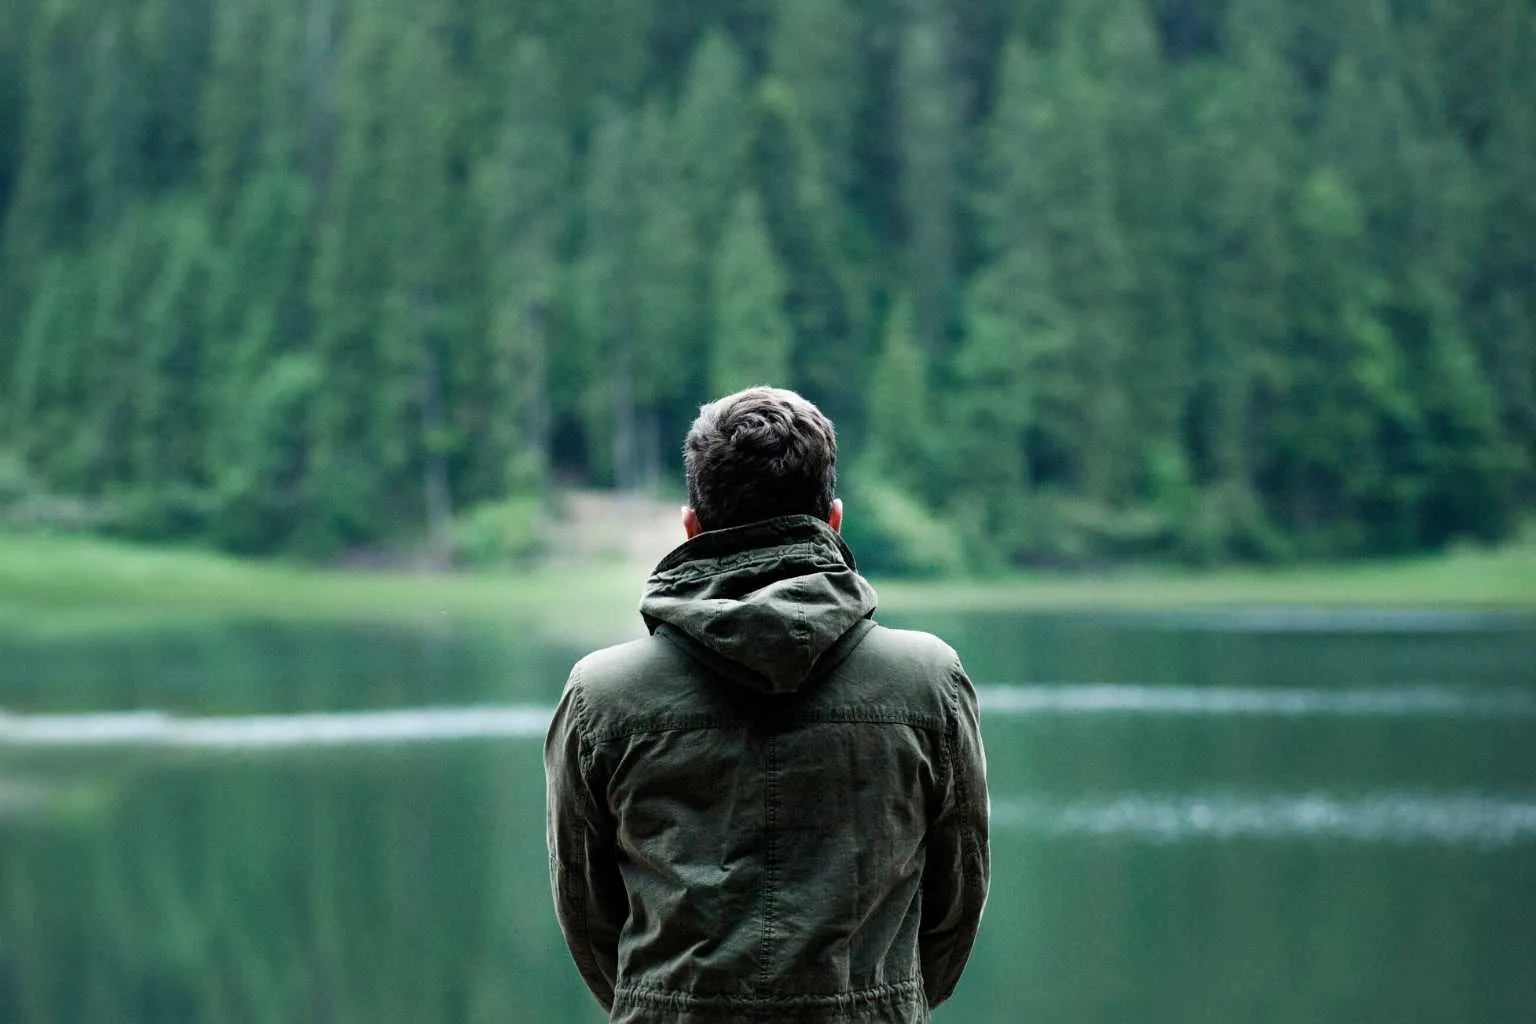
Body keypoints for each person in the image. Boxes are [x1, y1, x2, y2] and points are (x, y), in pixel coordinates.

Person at [545, 386, 989, 1024]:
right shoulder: (928, 681)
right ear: (833, 520)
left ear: (691, 527)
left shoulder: (602, 695)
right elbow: (956, 902)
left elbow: (588, 914)